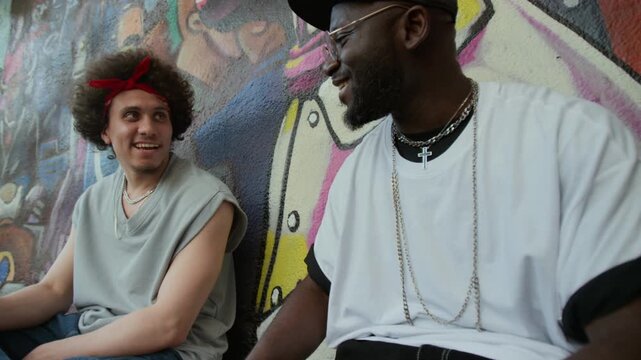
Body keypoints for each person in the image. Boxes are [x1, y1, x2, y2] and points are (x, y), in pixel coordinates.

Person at [248, 1, 641, 359]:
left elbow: (625, 336)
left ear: (413, 27)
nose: (328, 63)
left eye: (342, 38)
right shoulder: (358, 170)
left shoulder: (569, 138)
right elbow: (318, 292)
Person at [0, 49, 247, 360]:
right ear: (105, 130)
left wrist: (48, 353)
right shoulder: (94, 200)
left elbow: (168, 325)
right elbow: (53, 292)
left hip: (165, 351)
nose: (148, 127)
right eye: (132, 115)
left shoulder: (208, 202)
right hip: (89, 333)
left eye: (160, 115)